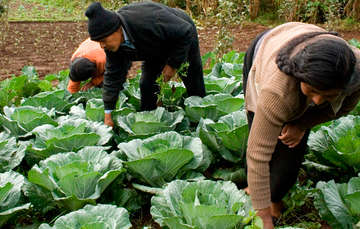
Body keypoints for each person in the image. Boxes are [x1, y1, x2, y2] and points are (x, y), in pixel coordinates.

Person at [242, 22, 360, 229]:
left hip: (314, 45)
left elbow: (343, 108)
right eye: (312, 91)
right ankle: (255, 192)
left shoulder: (356, 74)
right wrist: (263, 218)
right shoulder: (276, 91)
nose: (317, 101)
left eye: (329, 95)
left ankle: (275, 197)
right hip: (266, 48)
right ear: (300, 78)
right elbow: (258, 152)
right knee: (261, 137)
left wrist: (303, 123)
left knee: (290, 154)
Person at [84, 1, 206, 126]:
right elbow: (112, 76)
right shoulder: (112, 47)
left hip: (179, 33)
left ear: (116, 30)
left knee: (192, 77)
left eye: (103, 40)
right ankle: (151, 122)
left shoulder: (145, 21)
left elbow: (186, 31)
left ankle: (201, 121)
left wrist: (172, 65)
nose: (102, 45)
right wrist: (108, 114)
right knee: (147, 84)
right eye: (98, 42)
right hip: (154, 46)